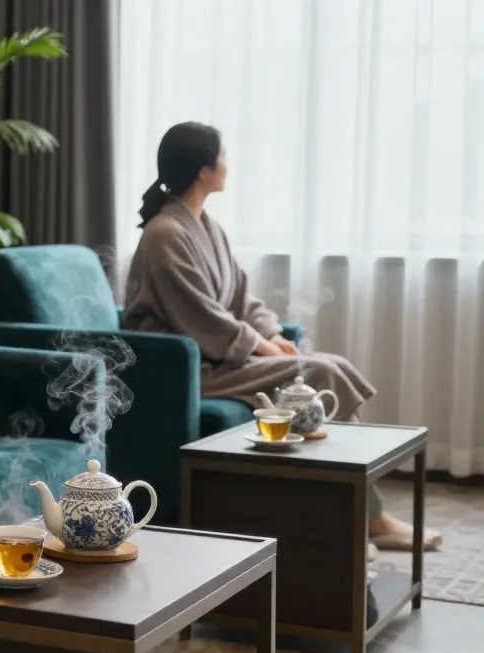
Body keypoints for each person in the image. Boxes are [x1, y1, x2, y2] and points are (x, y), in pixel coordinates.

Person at [122, 121, 440, 553]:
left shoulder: (207, 226)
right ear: (203, 171)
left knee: (324, 368)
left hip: (219, 357)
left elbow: (241, 298)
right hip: (187, 368)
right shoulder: (165, 233)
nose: (228, 164)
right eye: (223, 156)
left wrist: (270, 330)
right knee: (321, 374)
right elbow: (198, 314)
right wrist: (262, 346)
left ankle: (345, 519)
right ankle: (366, 521)